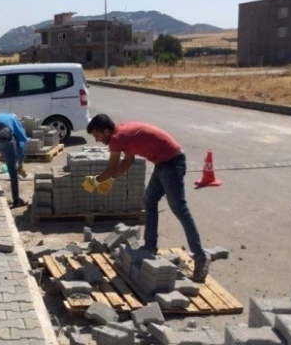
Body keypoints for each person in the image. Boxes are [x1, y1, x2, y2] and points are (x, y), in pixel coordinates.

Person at [83, 114, 211, 283]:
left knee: (179, 208)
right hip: (164, 162)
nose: (97, 140)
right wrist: (112, 179)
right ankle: (150, 246)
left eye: (97, 135)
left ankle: (200, 256)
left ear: (106, 131)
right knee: (149, 200)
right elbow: (128, 161)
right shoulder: (121, 133)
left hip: (172, 162)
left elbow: (112, 166)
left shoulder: (117, 138)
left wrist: (96, 181)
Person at [0, 113, 29, 209]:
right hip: (4, 141)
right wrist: (19, 162)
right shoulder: (15, 121)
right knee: (13, 172)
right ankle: (16, 201)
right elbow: (21, 143)